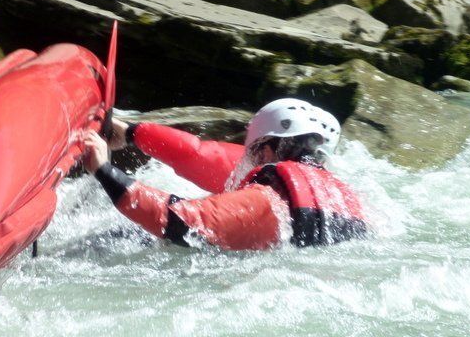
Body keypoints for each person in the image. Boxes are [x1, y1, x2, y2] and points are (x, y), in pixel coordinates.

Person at [83, 98, 367, 250]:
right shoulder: (343, 196)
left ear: (266, 152)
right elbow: (198, 155)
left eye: (251, 149)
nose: (246, 156)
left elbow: (180, 221)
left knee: (121, 238)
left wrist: (104, 170)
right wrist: (133, 133)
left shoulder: (268, 202)